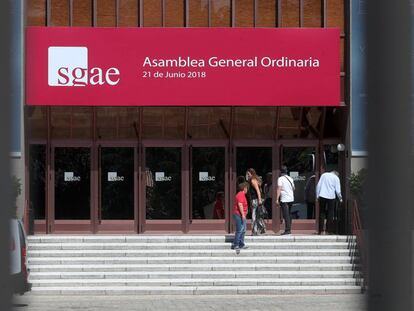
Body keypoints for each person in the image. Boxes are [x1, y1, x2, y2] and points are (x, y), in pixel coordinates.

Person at [316, 170, 342, 234]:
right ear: (336, 174)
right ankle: (329, 230)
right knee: (331, 213)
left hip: (322, 195)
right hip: (331, 197)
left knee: (322, 212)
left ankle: (321, 230)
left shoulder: (324, 175)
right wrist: (340, 199)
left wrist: (317, 196)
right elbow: (338, 190)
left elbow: (318, 186)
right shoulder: (336, 178)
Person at [276, 165, 295, 235]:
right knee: (289, 214)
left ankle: (287, 230)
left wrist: (277, 199)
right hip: (291, 198)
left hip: (284, 199)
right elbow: (294, 188)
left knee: (286, 215)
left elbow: (279, 189)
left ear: (281, 172)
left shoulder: (280, 179)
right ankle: (289, 229)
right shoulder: (290, 178)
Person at [246, 168, 265, 235]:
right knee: (257, 215)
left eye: (248, 174)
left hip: (255, 200)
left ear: (251, 173)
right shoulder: (254, 179)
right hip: (255, 200)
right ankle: (260, 229)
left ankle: (255, 231)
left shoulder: (253, 180)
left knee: (254, 215)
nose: (247, 175)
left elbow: (257, 190)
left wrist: (259, 199)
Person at [232, 182, 249, 252]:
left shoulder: (242, 194)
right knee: (240, 230)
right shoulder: (240, 194)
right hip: (239, 215)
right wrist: (243, 214)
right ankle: (236, 244)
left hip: (241, 214)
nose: (247, 190)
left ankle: (241, 244)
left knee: (243, 230)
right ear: (244, 188)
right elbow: (240, 204)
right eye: (247, 188)